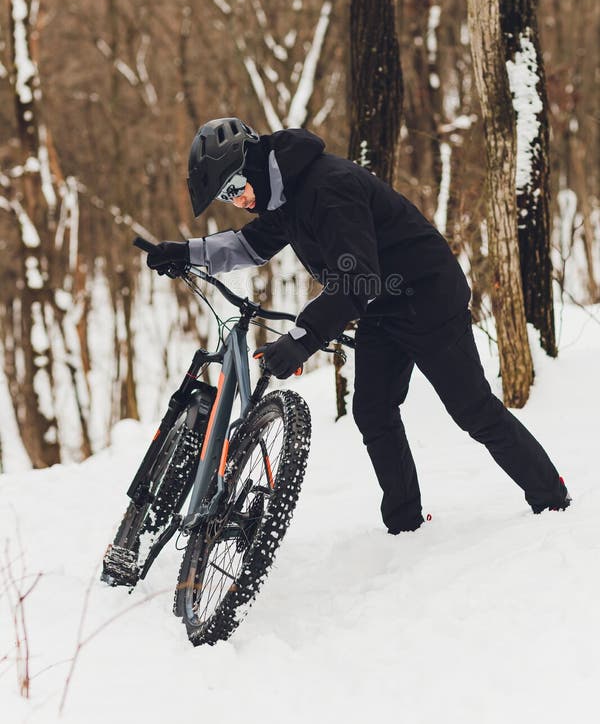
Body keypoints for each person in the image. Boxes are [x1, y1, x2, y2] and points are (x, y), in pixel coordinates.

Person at [147, 117, 571, 533]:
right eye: (227, 196)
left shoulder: (327, 188)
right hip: (381, 307)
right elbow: (249, 245)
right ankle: (405, 524)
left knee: (473, 411)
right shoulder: (284, 196)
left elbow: (357, 278)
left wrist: (303, 337)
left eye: (237, 187)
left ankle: (551, 498)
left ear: (254, 161)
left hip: (428, 298)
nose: (238, 201)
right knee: (373, 410)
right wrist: (186, 253)